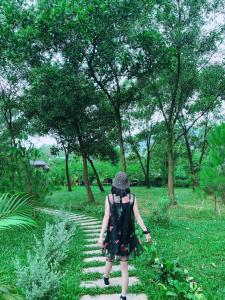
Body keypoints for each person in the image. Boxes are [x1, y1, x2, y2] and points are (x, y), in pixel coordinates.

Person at [98, 171, 152, 300]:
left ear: (115, 184)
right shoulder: (132, 197)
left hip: (113, 235)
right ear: (127, 184)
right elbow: (138, 216)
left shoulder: (109, 198)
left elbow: (106, 217)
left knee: (109, 258)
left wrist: (100, 236)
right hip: (127, 237)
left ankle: (106, 276)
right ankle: (123, 296)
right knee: (124, 267)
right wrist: (146, 232)